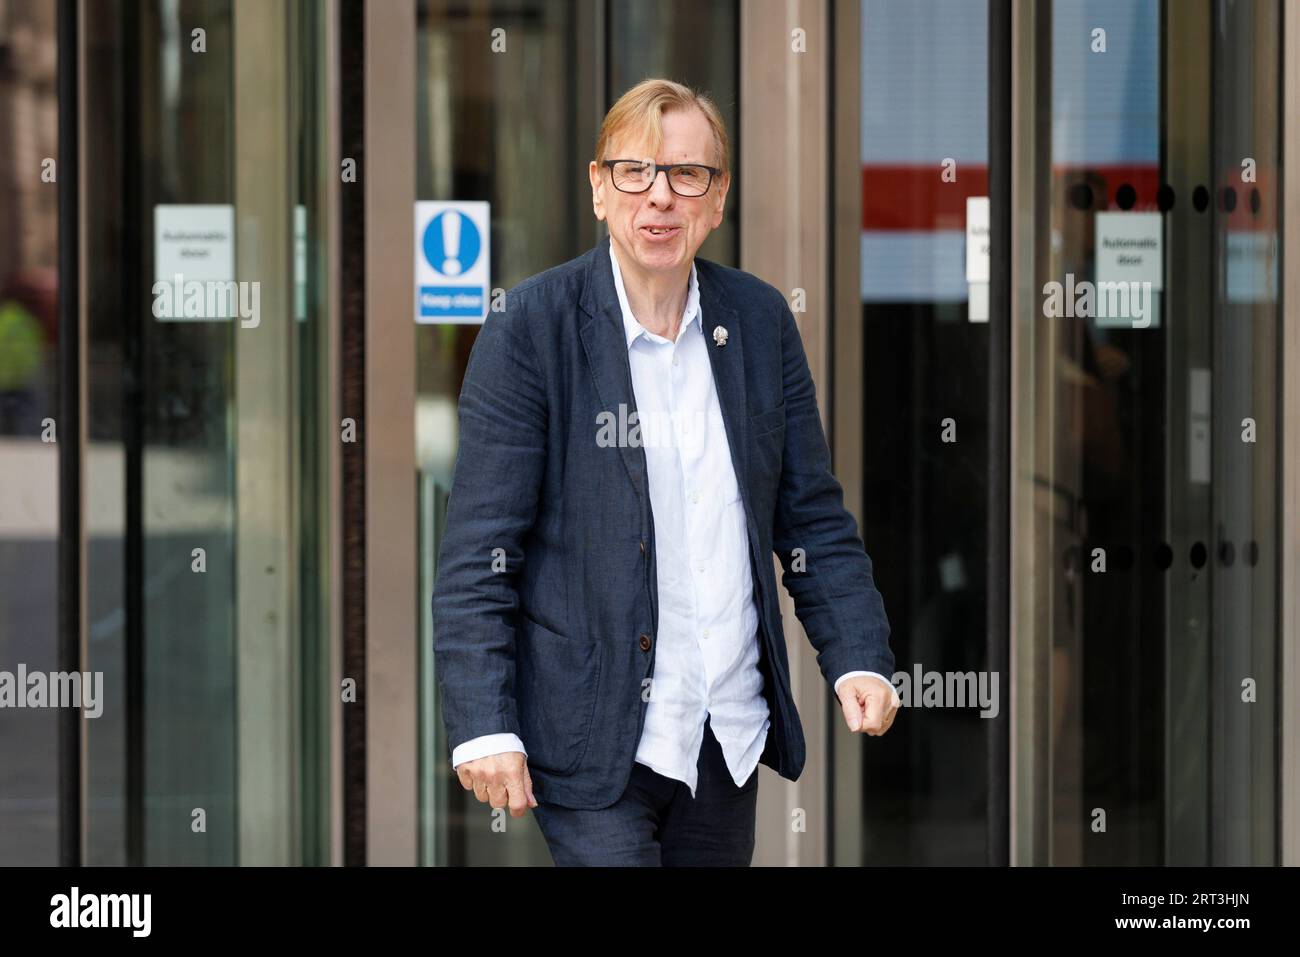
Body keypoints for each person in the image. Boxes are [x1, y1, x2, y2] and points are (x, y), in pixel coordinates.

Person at [431, 77, 898, 866]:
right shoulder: (531, 331)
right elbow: (480, 553)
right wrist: (484, 721)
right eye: (635, 172)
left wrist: (857, 653)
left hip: (724, 733)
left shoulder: (757, 321)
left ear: (717, 201)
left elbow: (810, 514)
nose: (659, 197)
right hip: (590, 744)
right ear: (598, 190)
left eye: (687, 175)